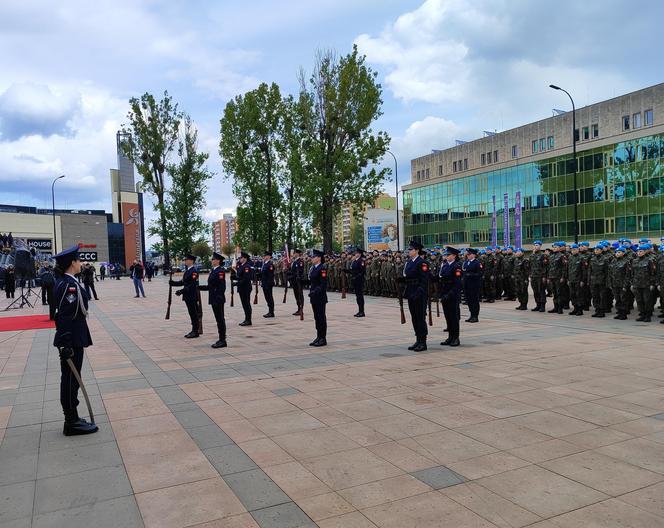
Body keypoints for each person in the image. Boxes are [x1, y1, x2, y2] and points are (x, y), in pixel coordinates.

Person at [52, 246, 98, 436]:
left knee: (72, 379)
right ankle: (70, 422)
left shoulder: (67, 282)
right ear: (72, 263)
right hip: (71, 340)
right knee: (71, 380)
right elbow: (64, 316)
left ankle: (73, 417)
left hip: (73, 338)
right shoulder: (68, 285)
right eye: (79, 261)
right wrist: (66, 343)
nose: (81, 264)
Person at [399, 240, 429, 351]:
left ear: (417, 250)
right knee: (414, 318)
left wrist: (419, 292)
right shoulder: (409, 262)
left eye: (411, 249)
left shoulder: (422, 262)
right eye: (409, 249)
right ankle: (418, 340)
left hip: (419, 294)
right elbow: (409, 277)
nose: (409, 251)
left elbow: (424, 281)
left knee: (420, 318)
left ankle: (423, 342)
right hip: (410, 292)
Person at [198, 252, 227, 348]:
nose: (211, 260)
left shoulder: (220, 271)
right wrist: (199, 287)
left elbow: (222, 287)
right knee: (218, 319)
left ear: (218, 261)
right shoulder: (213, 270)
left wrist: (218, 297)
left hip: (217, 299)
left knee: (220, 319)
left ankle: (222, 340)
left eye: (213, 259)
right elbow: (211, 286)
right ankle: (221, 339)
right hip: (213, 298)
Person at [169, 253, 201, 338]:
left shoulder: (194, 271)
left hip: (192, 295)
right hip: (187, 295)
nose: (185, 261)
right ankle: (194, 329)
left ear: (191, 261)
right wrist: (173, 283)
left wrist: (181, 291)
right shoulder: (187, 271)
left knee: (193, 313)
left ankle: (195, 331)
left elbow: (192, 285)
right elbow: (183, 282)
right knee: (191, 313)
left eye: (186, 260)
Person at [438, 246, 462, 347]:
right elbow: (440, 279)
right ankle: (450, 337)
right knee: (448, 317)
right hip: (445, 294)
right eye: (446, 255)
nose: (446, 256)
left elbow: (457, 284)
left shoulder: (457, 266)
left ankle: (456, 338)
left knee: (454, 317)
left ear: (454, 256)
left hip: (452, 295)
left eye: (448, 255)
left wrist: (449, 294)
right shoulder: (445, 265)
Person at [307, 249, 328, 346]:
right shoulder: (313, 268)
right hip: (314, 296)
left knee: (321, 317)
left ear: (319, 258)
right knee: (316, 317)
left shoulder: (322, 268)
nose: (312, 258)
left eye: (314, 257)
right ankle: (318, 336)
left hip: (320, 296)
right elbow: (312, 282)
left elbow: (323, 284)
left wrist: (315, 291)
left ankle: (323, 338)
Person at [462, 248, 482, 323]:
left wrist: (471, 275)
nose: (468, 255)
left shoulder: (477, 263)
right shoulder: (466, 262)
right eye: (467, 254)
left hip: (474, 285)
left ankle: (475, 316)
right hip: (467, 284)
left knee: (474, 301)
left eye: (469, 254)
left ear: (473, 255)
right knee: (469, 300)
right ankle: (471, 315)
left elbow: (480, 274)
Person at [235, 251, 254, 326]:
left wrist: (237, 283)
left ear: (245, 259)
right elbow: (240, 276)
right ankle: (246, 319)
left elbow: (246, 278)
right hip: (242, 288)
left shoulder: (246, 267)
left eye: (241, 257)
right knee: (244, 304)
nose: (240, 259)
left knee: (246, 304)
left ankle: (248, 320)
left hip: (245, 288)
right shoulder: (241, 266)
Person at [529, 241, 548, 312]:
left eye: (537, 245)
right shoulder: (531, 256)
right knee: (535, 291)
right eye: (534, 245)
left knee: (541, 291)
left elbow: (545, 267)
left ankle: (542, 306)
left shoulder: (543, 255)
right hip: (533, 276)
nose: (535, 246)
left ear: (540, 246)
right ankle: (538, 305)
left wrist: (544, 276)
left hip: (540, 276)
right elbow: (530, 266)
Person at [347, 247, 366, 317]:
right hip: (354, 280)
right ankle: (359, 310)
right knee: (357, 296)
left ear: (360, 254)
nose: (355, 254)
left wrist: (356, 277)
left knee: (360, 296)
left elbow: (362, 272)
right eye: (355, 253)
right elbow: (352, 270)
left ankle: (362, 311)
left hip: (359, 280)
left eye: (357, 253)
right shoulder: (354, 261)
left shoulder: (361, 261)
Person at [288, 248, 305, 316]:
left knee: (299, 295)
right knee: (296, 295)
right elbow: (293, 271)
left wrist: (292, 276)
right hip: (294, 281)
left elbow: (299, 272)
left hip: (298, 281)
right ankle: (298, 308)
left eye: (294, 253)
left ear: (297, 254)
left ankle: (301, 309)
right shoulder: (294, 261)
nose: (293, 254)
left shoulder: (300, 261)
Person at [260, 251, 275, 318]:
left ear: (269, 256)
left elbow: (270, 275)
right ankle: (269, 311)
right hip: (264, 283)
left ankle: (271, 312)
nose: (264, 257)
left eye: (265, 256)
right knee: (267, 297)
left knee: (269, 297)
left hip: (268, 284)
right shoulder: (264, 264)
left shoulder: (270, 264)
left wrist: (268, 284)